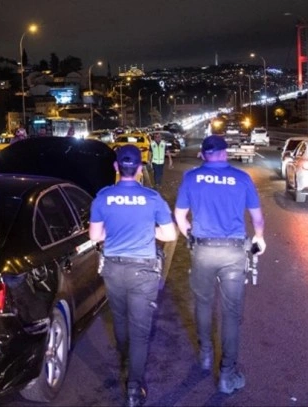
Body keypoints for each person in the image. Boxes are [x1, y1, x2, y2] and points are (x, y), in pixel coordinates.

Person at [173, 135, 266, 395]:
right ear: (225, 154)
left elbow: (180, 216)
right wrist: (258, 237)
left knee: (203, 304)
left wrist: (190, 235)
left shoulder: (192, 178)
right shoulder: (242, 178)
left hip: (203, 250)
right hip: (233, 252)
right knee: (231, 314)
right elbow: (257, 218)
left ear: (203, 155)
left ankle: (204, 355)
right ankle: (227, 374)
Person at [89, 145, 178, 407]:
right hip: (143, 272)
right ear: (140, 169)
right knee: (140, 331)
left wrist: (115, 233)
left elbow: (95, 236)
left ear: (116, 168)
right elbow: (170, 235)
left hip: (114, 270)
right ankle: (133, 389)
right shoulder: (152, 199)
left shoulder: (102, 197)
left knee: (119, 318)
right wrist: (146, 231)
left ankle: (125, 359)